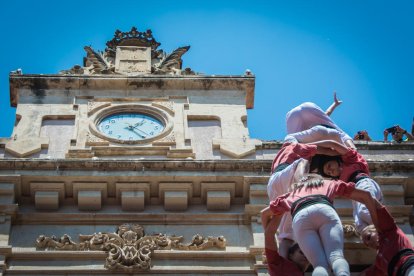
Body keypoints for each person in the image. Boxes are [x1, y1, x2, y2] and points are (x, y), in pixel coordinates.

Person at [261, 174, 378, 276]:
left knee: (319, 264)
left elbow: (264, 214)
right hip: (325, 209)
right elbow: (366, 195)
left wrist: (277, 215)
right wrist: (377, 224)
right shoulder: (328, 183)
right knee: (336, 256)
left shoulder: (291, 194)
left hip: (300, 215)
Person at [267, 140, 344, 256]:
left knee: (287, 236)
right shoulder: (298, 149)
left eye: (333, 173)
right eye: (334, 166)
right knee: (303, 162)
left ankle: (284, 267)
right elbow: (322, 148)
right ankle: (301, 184)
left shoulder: (316, 171)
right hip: (282, 177)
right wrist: (336, 153)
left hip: (282, 191)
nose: (331, 171)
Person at [312, 143, 383, 233]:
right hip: (356, 196)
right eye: (329, 173)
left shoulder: (350, 160)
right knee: (361, 227)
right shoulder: (339, 181)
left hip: (363, 183)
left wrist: (320, 149)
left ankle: (387, 232)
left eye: (329, 166)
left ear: (335, 159)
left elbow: (336, 145)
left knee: (364, 212)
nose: (330, 171)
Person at [360, 199, 414, 276]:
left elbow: (371, 200)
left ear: (375, 231)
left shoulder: (391, 231)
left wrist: (351, 192)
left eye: (368, 237)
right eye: (366, 244)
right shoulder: (379, 261)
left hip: (410, 267)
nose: (369, 243)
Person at [285, 93, 355, 149]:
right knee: (295, 148)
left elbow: (326, 114)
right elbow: (326, 115)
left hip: (294, 112)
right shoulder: (338, 137)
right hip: (306, 108)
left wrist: (334, 104)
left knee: (292, 144)